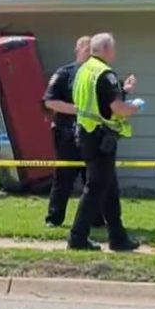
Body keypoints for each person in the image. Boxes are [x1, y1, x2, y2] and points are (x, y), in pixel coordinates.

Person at [67, 33, 142, 252]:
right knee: (96, 188)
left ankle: (118, 238)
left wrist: (123, 90)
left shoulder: (84, 70)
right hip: (100, 137)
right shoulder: (104, 73)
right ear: (106, 49)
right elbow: (116, 108)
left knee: (109, 188)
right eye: (114, 48)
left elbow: (96, 97)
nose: (115, 52)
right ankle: (77, 238)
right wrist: (136, 107)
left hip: (84, 134)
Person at [43, 35, 105, 229]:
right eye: (86, 49)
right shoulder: (64, 73)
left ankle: (94, 219)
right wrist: (78, 109)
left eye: (92, 50)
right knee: (64, 177)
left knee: (92, 178)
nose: (89, 53)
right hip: (67, 134)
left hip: (91, 135)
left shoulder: (98, 75)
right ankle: (54, 218)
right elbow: (50, 101)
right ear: (77, 50)